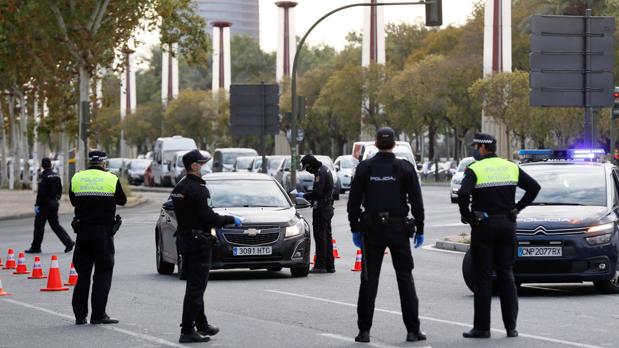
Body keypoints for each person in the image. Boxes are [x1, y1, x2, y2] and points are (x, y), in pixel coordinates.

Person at [347, 127, 426, 343]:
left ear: (375, 143)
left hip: (371, 230)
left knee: (368, 280)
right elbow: (417, 202)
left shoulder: (365, 168)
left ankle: (364, 332)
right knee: (405, 278)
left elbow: (353, 203)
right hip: (399, 228)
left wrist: (354, 228)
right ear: (394, 144)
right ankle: (412, 330)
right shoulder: (405, 168)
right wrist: (420, 228)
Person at [458, 133, 540, 339]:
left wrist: (468, 217)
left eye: (475, 146)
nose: (474, 150)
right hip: (507, 225)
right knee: (506, 274)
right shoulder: (510, 166)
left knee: (483, 276)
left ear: (483, 148)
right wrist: (517, 208)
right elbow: (534, 187)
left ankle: (482, 328)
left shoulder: (475, 169)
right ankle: (511, 327)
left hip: (484, 226)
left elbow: (462, 194)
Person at [171, 149, 243, 343]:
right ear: (194, 166)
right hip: (198, 242)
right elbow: (208, 217)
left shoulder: (179, 187)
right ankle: (187, 330)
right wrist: (230, 219)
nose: (205, 166)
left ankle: (201, 324)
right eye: (202, 164)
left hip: (185, 240)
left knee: (195, 285)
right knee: (196, 288)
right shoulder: (198, 188)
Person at [70, 150, 127, 326]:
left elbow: (73, 201)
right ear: (104, 163)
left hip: (83, 234)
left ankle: (80, 316)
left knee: (82, 276)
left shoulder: (77, 178)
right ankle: (98, 315)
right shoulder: (111, 179)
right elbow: (122, 201)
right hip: (103, 234)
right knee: (103, 274)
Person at [26, 157, 74, 254]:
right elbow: (60, 189)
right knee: (55, 226)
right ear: (51, 165)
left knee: (39, 226)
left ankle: (36, 247)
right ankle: (68, 242)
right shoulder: (56, 175)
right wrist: (56, 199)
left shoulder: (44, 176)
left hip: (44, 205)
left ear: (42, 165)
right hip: (54, 203)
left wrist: (37, 205)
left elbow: (41, 193)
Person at [297, 154, 335, 274]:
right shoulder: (324, 170)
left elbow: (318, 193)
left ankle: (320, 265)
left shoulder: (320, 173)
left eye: (306, 167)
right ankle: (330, 265)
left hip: (322, 208)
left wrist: (304, 195)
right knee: (327, 237)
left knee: (320, 237)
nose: (307, 170)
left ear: (310, 165)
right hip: (327, 207)